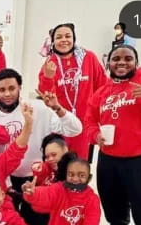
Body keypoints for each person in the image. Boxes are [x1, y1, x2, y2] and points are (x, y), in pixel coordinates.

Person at [0, 68, 82, 225]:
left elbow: (75, 129)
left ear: (20, 88)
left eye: (12, 88)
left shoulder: (39, 109)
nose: (7, 94)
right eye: (2, 90)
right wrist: (7, 187)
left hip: (38, 180)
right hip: (9, 182)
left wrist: (57, 108)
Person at [85, 45, 141, 225]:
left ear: (136, 62)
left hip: (140, 157)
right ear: (108, 63)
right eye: (116, 59)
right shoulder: (102, 92)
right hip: (109, 157)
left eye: (128, 58)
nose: (121, 62)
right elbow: (89, 121)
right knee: (112, 201)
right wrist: (95, 135)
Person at [38, 23, 107, 160]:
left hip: (86, 122)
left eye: (68, 36)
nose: (64, 40)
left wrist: (100, 115)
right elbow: (45, 95)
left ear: (74, 39)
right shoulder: (50, 63)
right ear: (53, 42)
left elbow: (102, 86)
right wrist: (48, 77)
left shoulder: (89, 58)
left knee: (80, 163)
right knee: (59, 161)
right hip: (60, 122)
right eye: (59, 37)